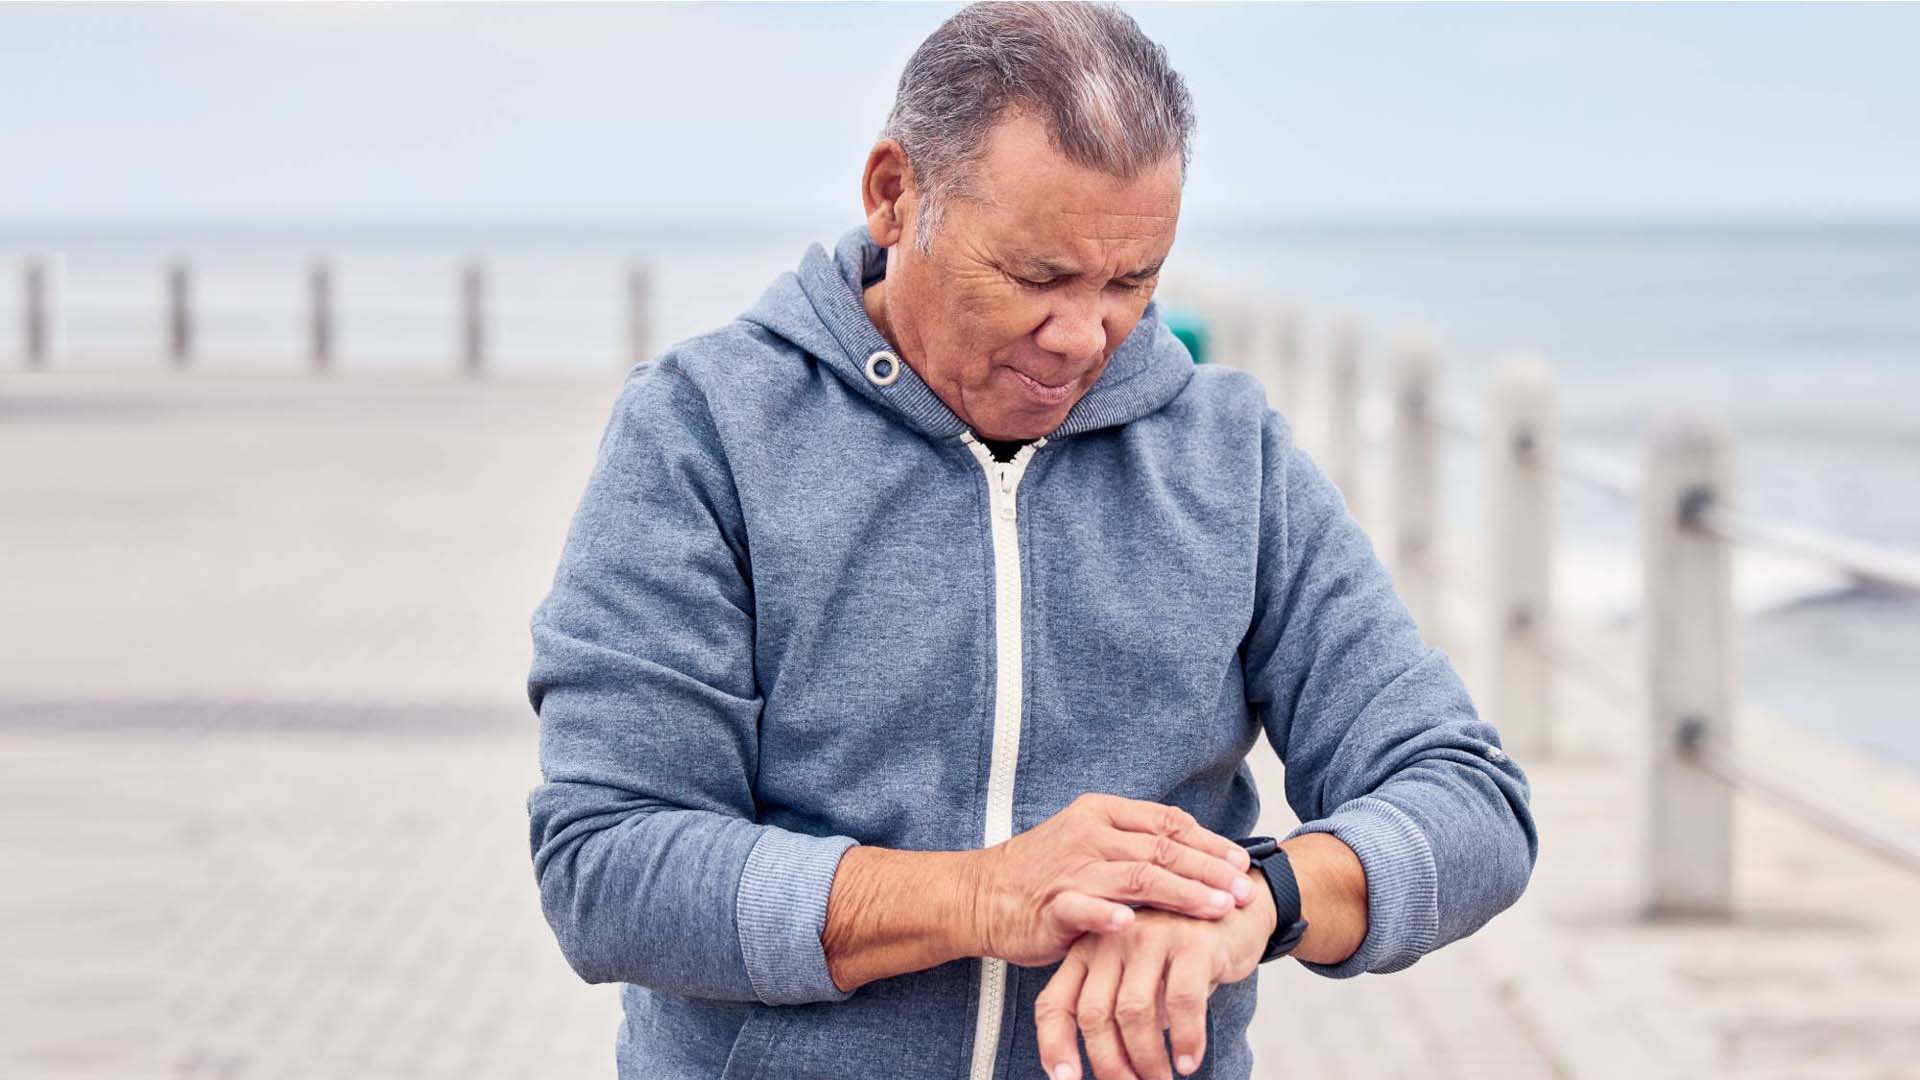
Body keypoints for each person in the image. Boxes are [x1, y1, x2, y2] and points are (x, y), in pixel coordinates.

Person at [525, 4, 1538, 1079]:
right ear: (893, 195)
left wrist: (1256, 900)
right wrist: (978, 895)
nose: (1084, 335)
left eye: (1132, 282)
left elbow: (1470, 800)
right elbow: (608, 866)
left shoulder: (1228, 456)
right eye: (1038, 276)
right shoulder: (707, 430)